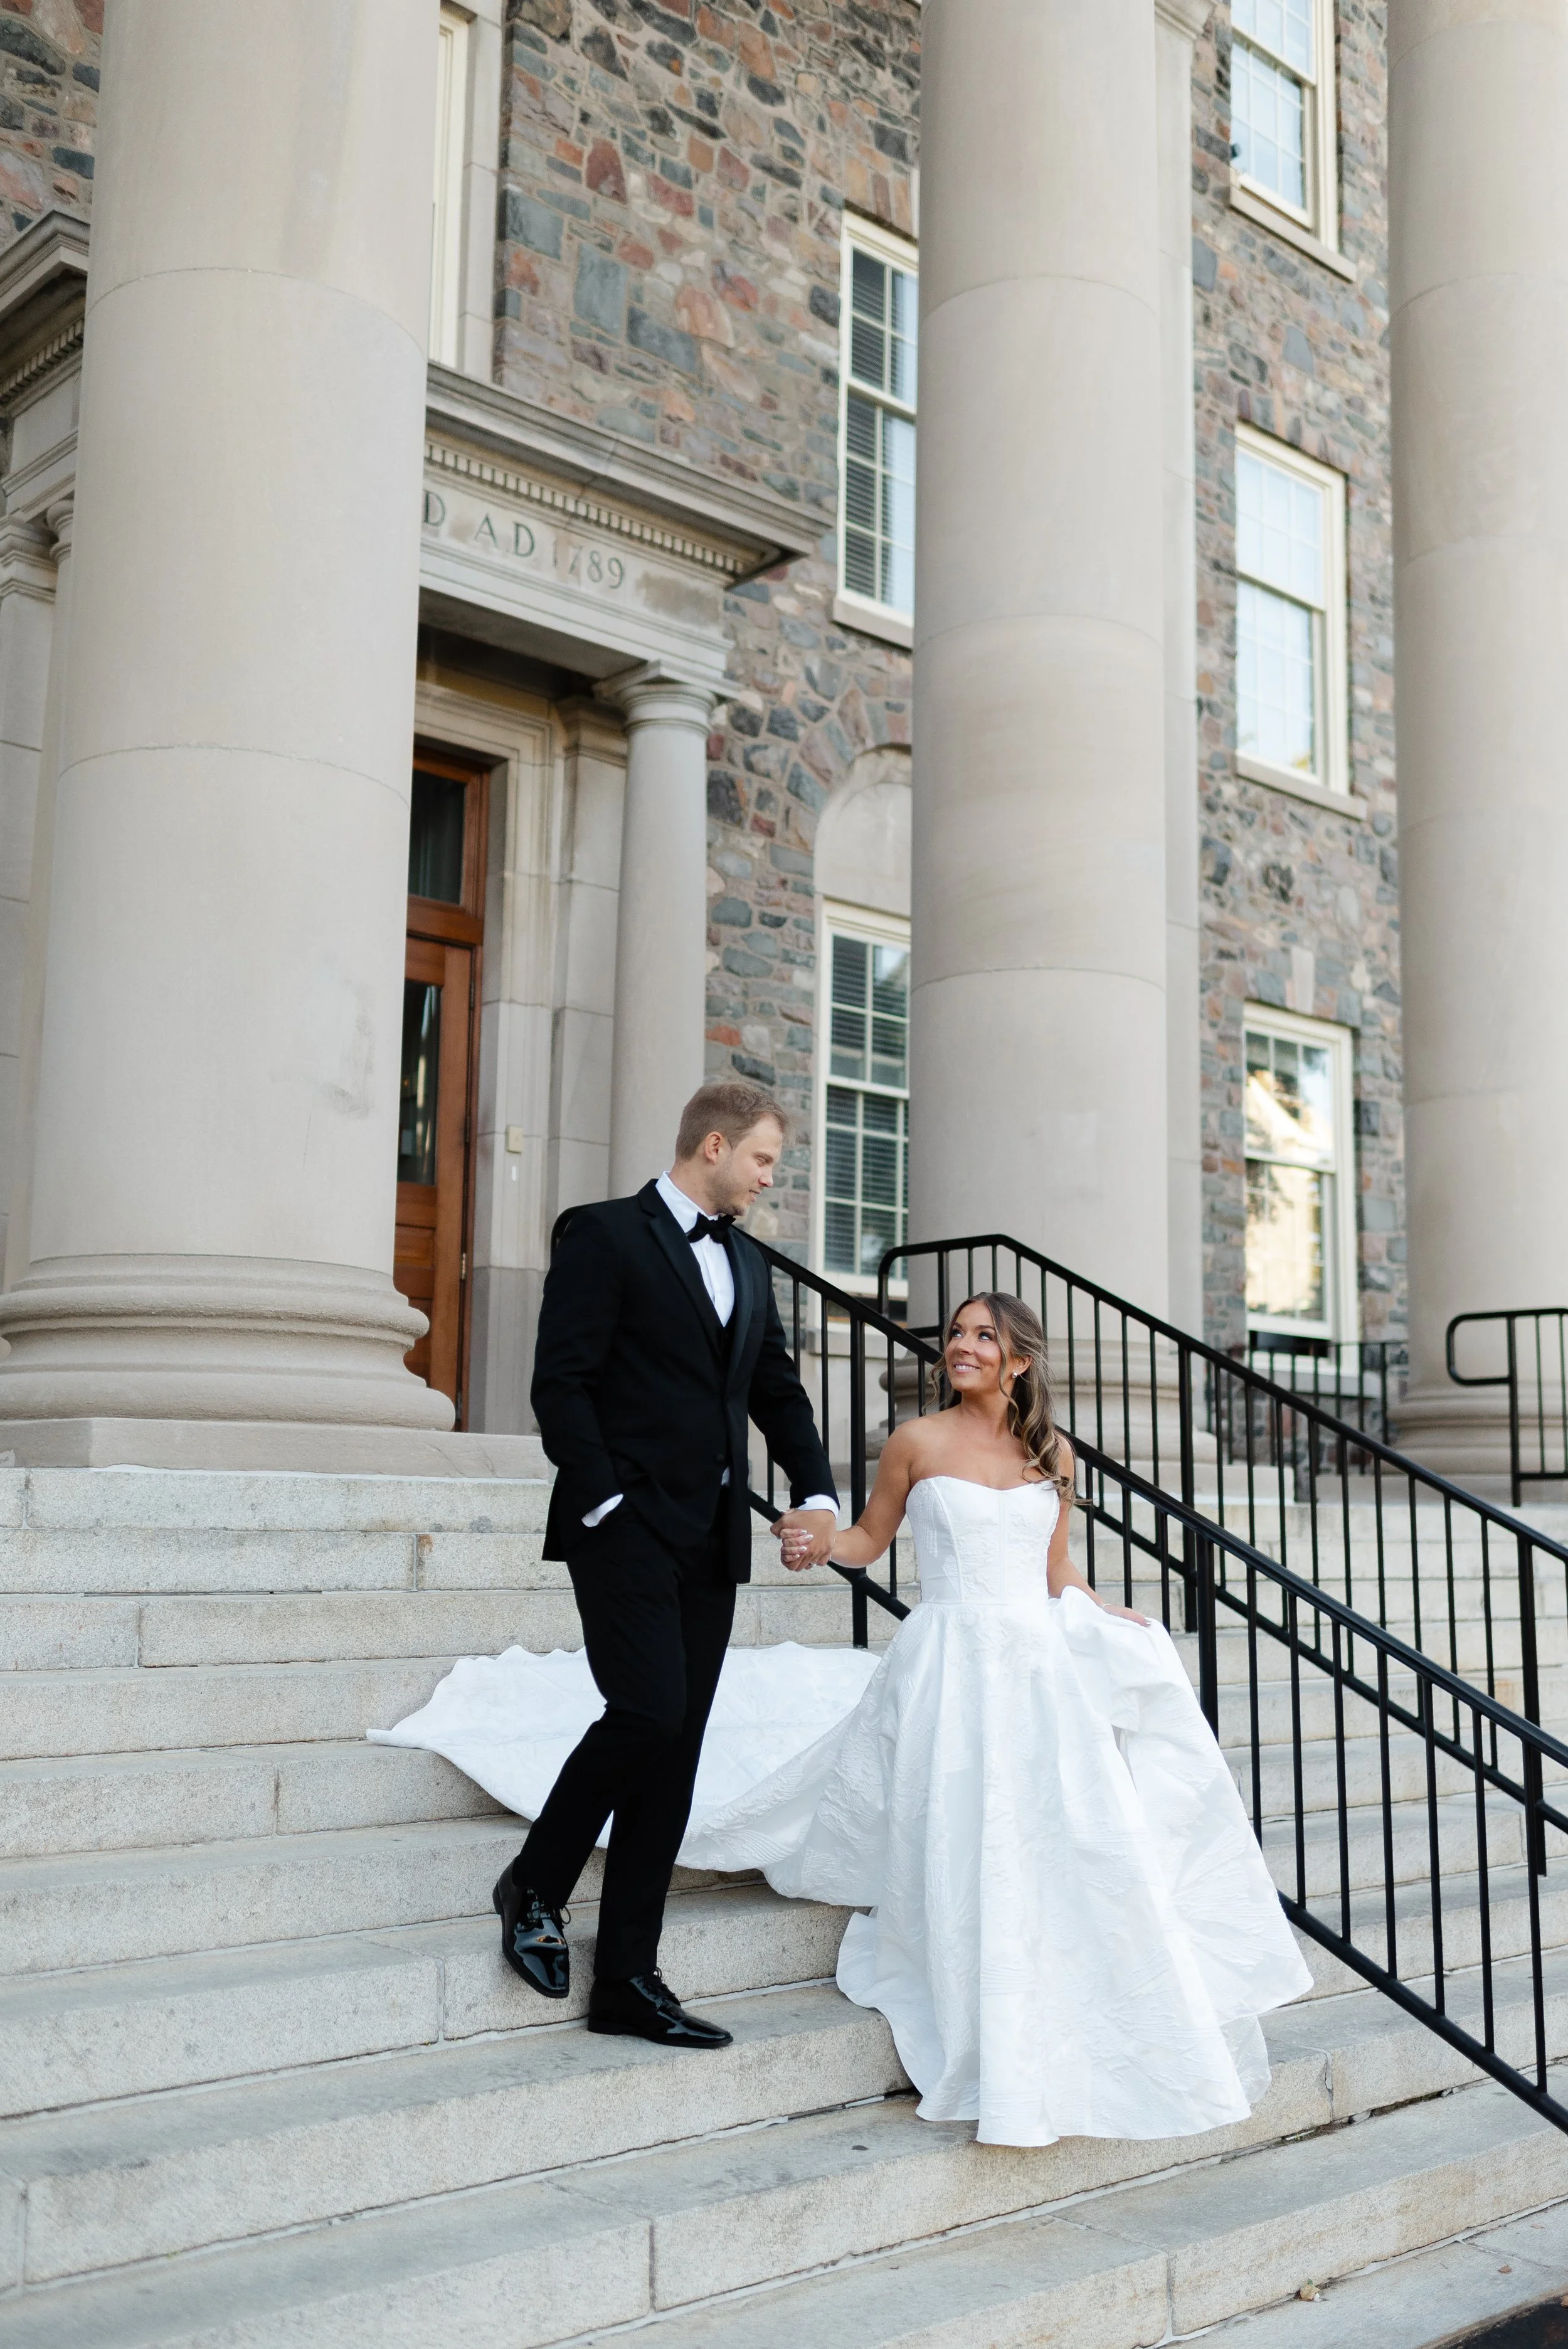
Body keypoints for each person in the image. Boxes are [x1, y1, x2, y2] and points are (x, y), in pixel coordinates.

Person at [687, 1291, 1313, 2145]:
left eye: (984, 1336)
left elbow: (1055, 1567)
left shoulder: (1051, 1451)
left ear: (1020, 1359)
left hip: (1033, 1667)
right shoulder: (915, 1441)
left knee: (1047, 1828)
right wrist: (816, 1542)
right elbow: (870, 1540)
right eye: (955, 1333)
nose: (962, 1346)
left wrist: (1107, 1613)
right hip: (947, 1660)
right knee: (959, 1824)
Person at [490, 1081, 839, 2049]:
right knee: (646, 1712)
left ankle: (628, 1981)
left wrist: (816, 1490)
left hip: (714, 1533)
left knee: (675, 1749)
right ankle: (535, 1880)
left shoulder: (749, 1261)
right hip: (623, 1525)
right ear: (715, 1145)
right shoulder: (603, 1235)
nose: (770, 1178)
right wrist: (605, 1497)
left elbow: (776, 1388)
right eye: (764, 1159)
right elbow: (560, 1381)